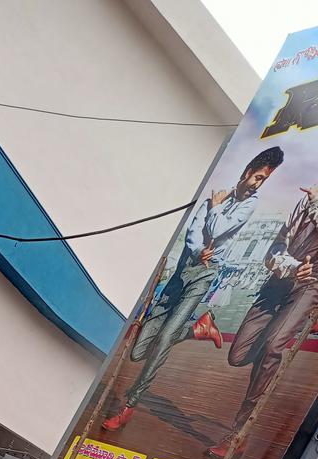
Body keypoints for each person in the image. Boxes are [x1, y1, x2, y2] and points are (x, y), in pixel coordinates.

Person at [102, 147, 284, 431]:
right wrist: (200, 248)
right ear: (248, 171)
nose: (258, 185)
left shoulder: (248, 204)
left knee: (163, 342)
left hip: (204, 274)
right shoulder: (217, 195)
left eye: (264, 181)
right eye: (258, 177)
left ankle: (129, 407)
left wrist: (214, 209)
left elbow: (220, 227)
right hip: (181, 272)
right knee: (138, 352)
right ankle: (198, 329)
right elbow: (195, 230)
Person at [206, 184, 318, 459]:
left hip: (309, 287)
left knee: (271, 347)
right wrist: (290, 265)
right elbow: (275, 248)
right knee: (238, 355)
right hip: (278, 282)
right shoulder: (300, 210)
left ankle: (239, 433)